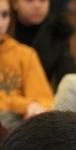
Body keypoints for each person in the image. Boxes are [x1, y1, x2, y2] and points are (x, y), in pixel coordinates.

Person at [0, 0, 52, 129]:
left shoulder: (25, 54)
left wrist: (33, 109)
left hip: (19, 127)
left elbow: (43, 101)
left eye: (5, 14)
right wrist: (24, 105)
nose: (1, 22)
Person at [12, 0, 76, 88]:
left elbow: (67, 75)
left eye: (42, 1)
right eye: (29, 1)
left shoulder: (58, 29)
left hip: (41, 96)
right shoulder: (4, 27)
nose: (37, 6)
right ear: (15, 4)